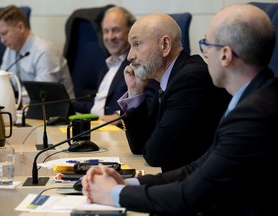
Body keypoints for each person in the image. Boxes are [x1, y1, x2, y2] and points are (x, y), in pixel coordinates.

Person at [82, 4, 278, 215]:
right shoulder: (253, 99)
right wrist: (128, 183)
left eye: (206, 44)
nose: (204, 54)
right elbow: (196, 170)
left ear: (225, 56)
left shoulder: (253, 114)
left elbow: (189, 196)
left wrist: (114, 194)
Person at [117, 13, 230, 172]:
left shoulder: (190, 80)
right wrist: (135, 91)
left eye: (137, 44)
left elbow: (154, 155)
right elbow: (140, 146)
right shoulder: (171, 77)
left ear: (164, 45)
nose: (130, 56)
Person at [74, 7, 158, 125]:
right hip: (96, 125)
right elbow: (99, 104)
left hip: (118, 131)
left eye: (116, 30)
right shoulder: (107, 65)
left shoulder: (140, 62)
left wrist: (118, 116)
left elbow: (151, 102)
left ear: (131, 32)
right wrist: (66, 104)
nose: (110, 37)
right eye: (106, 31)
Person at [0, 5, 75, 103]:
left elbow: (42, 94)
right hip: (28, 109)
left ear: (20, 27)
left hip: (58, 111)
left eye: (4, 33)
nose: (2, 41)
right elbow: (3, 83)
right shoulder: (10, 49)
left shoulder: (44, 51)